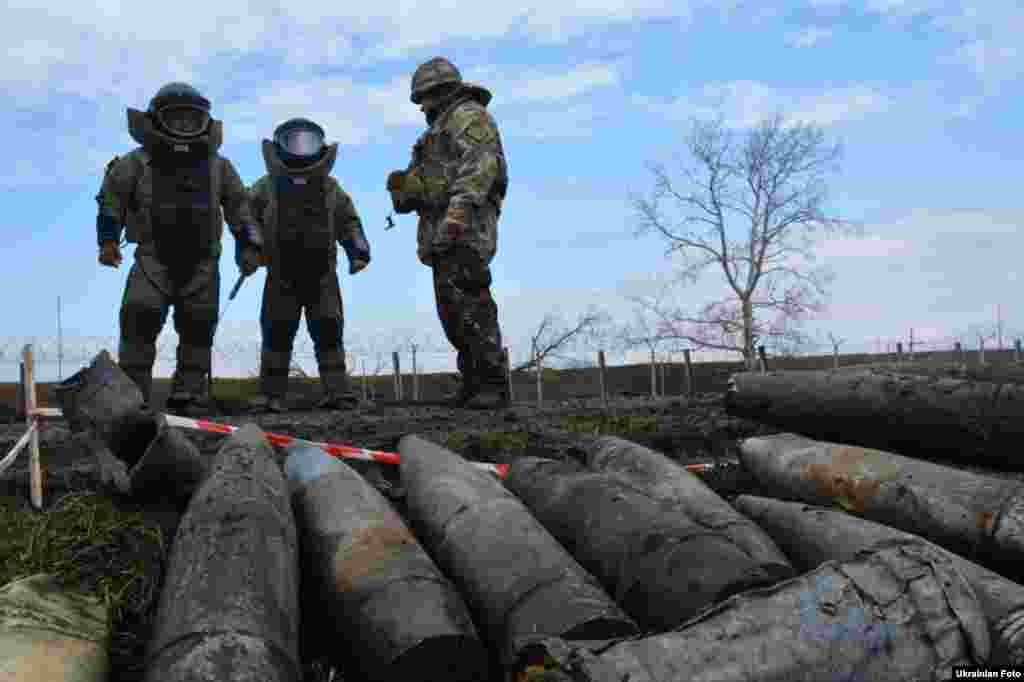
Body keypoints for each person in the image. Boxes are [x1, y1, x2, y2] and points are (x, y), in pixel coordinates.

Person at [96, 82, 262, 414]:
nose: (185, 126)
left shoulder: (218, 167)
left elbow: (240, 209)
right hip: (152, 258)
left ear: (205, 121)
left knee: (199, 328)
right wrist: (109, 241)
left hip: (202, 263)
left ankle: (190, 394)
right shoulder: (136, 163)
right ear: (158, 120)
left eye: (192, 119)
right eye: (177, 119)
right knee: (139, 318)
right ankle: (134, 399)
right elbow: (111, 200)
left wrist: (249, 247)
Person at [386, 57, 510, 408]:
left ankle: (491, 384)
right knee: (454, 311)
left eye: (424, 97)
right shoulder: (437, 131)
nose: (422, 106)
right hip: (442, 231)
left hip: (464, 228)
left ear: (437, 92)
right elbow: (429, 185)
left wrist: (456, 216)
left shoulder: (470, 118)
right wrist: (405, 187)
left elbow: (479, 168)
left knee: (472, 304)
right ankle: (473, 383)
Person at [246, 118, 371, 412]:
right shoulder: (266, 187)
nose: (302, 149)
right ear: (280, 147)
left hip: (322, 274)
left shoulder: (330, 188)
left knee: (329, 330)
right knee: (276, 332)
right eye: (294, 141)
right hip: (280, 275)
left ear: (320, 147)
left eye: (309, 141)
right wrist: (250, 249)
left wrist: (358, 251)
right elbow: (246, 219)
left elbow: (348, 221)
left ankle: (338, 393)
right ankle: (270, 395)